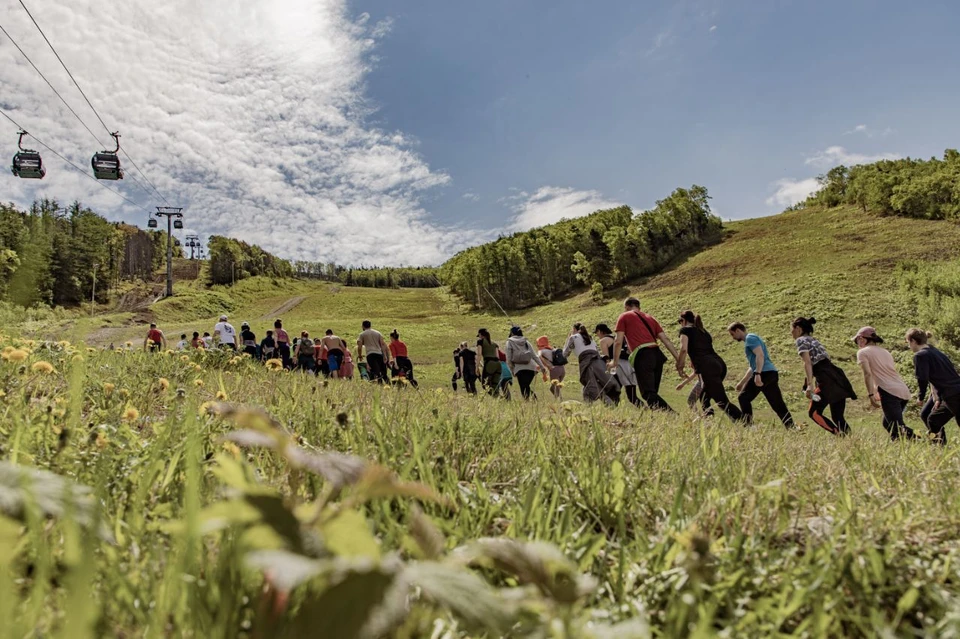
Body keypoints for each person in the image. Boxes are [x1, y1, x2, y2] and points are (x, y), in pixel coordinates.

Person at [611, 297, 680, 411]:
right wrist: (678, 359)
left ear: (627, 307)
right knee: (653, 394)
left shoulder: (625, 316)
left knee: (648, 394)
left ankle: (674, 416)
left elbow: (618, 341)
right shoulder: (650, 318)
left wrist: (615, 361)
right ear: (639, 307)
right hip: (657, 355)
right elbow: (665, 339)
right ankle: (661, 420)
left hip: (643, 356)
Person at [791, 317, 857, 436]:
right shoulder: (814, 340)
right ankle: (850, 440)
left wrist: (810, 385)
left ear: (798, 329)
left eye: (792, 329)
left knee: (814, 413)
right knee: (838, 416)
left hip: (826, 379)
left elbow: (808, 362)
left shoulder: (801, 340)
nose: (791, 333)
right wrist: (808, 382)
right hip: (837, 376)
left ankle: (839, 435)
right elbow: (823, 361)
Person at [676, 311, 743, 422]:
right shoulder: (703, 331)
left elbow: (683, 349)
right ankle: (708, 422)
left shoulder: (685, 330)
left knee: (721, 401)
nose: (680, 324)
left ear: (684, 320)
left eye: (680, 321)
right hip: (719, 364)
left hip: (708, 368)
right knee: (704, 397)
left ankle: (747, 424)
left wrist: (679, 365)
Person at [854, 326, 917, 440]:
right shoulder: (885, 352)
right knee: (888, 424)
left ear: (862, 339)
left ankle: (926, 440)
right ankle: (902, 446)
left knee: (896, 427)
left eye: (857, 340)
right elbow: (882, 372)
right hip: (902, 390)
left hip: (889, 392)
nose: (857, 342)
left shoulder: (862, 352)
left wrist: (871, 395)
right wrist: (876, 389)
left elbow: (868, 374)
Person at [727, 323, 796, 429]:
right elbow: (753, 366)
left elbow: (760, 355)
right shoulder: (752, 339)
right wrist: (742, 383)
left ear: (738, 330)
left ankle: (749, 427)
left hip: (764, 373)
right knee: (777, 404)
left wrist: (758, 374)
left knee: (743, 398)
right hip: (770, 373)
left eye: (732, 334)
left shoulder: (750, 338)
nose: (733, 337)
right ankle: (791, 428)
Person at [907, 328, 960, 444]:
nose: (909, 346)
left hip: (953, 394)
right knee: (933, 420)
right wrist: (938, 398)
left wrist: (920, 397)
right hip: (952, 392)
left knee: (933, 420)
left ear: (913, 341)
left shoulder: (920, 356)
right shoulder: (935, 351)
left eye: (908, 343)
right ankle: (940, 448)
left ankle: (940, 447)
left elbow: (922, 378)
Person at [564, 323, 620, 404]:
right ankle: (608, 404)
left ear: (575, 330)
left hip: (587, 362)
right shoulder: (590, 338)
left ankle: (593, 407)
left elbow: (565, 354)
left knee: (592, 386)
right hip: (598, 361)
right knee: (597, 385)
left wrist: (568, 339)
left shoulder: (573, 337)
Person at [596, 324, 641, 407]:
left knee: (612, 392)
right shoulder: (617, 338)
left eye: (597, 333)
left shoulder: (603, 341)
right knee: (632, 397)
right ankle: (646, 410)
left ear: (599, 331)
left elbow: (607, 358)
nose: (597, 335)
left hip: (617, 367)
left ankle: (612, 410)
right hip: (629, 366)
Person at [505, 326, 546, 400]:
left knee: (524, 388)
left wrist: (512, 370)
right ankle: (533, 403)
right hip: (531, 368)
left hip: (519, 368)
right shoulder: (526, 342)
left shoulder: (509, 342)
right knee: (526, 386)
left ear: (511, 333)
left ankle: (531, 402)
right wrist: (542, 367)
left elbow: (508, 358)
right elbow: (534, 355)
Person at [477, 329, 501, 395]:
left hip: (489, 363)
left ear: (481, 335)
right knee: (495, 385)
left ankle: (496, 397)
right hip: (498, 364)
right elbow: (498, 357)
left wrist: (477, 367)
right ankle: (500, 400)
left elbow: (479, 354)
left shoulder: (480, 342)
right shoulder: (495, 344)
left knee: (485, 385)